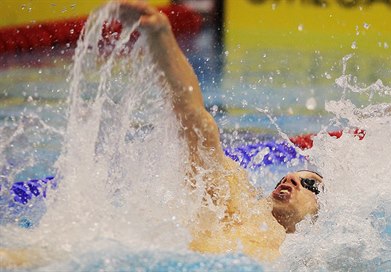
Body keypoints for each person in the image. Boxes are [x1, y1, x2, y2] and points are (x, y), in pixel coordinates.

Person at [117, 0, 323, 261]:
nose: (290, 177)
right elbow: (197, 126)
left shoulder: (309, 260)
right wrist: (161, 37)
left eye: (308, 184)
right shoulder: (237, 202)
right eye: (291, 176)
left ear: (318, 216)